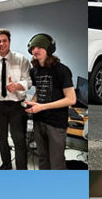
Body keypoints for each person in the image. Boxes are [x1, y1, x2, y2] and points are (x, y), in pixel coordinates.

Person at [23, 33, 76, 169]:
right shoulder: (35, 71)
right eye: (33, 48)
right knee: (42, 159)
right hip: (39, 120)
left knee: (56, 162)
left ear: (49, 49)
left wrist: (42, 107)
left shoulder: (61, 70)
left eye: (40, 47)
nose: (35, 50)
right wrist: (33, 103)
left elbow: (71, 99)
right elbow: (38, 92)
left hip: (56, 123)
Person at [0, 29, 31, 170]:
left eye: (4, 40)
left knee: (19, 139)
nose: (1, 43)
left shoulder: (21, 59)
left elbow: (28, 81)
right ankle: (6, 164)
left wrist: (17, 85)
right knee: (1, 138)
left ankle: (22, 169)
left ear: (9, 42)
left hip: (17, 105)